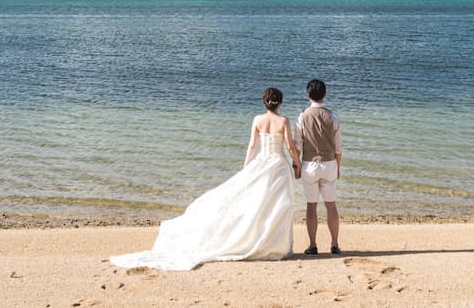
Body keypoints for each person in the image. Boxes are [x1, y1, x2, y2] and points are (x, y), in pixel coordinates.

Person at [110, 87, 302, 271]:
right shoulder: (283, 121)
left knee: (257, 204)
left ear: (264, 102)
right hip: (278, 165)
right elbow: (290, 147)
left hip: (261, 163)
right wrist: (297, 163)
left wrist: (245, 167)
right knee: (277, 206)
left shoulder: (257, 119)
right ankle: (275, 244)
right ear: (280, 103)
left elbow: (252, 146)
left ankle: (261, 241)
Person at [296, 78, 343, 255]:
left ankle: (313, 244)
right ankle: (334, 244)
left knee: (311, 206)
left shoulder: (302, 116)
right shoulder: (333, 116)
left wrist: (297, 165)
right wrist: (338, 166)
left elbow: (298, 144)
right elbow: (338, 148)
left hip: (309, 164)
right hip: (329, 163)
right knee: (331, 205)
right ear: (325, 94)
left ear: (307, 95)